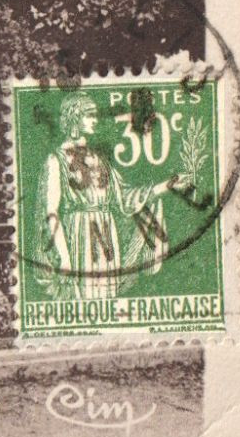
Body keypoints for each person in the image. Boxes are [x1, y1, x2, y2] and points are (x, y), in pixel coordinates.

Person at [41, 91, 175, 299]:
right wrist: (64, 258)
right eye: (89, 115)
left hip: (106, 237)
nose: (95, 120)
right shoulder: (56, 159)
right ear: (75, 117)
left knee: (107, 300)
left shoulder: (100, 159)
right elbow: (51, 212)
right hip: (79, 237)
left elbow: (124, 198)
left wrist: (166, 186)